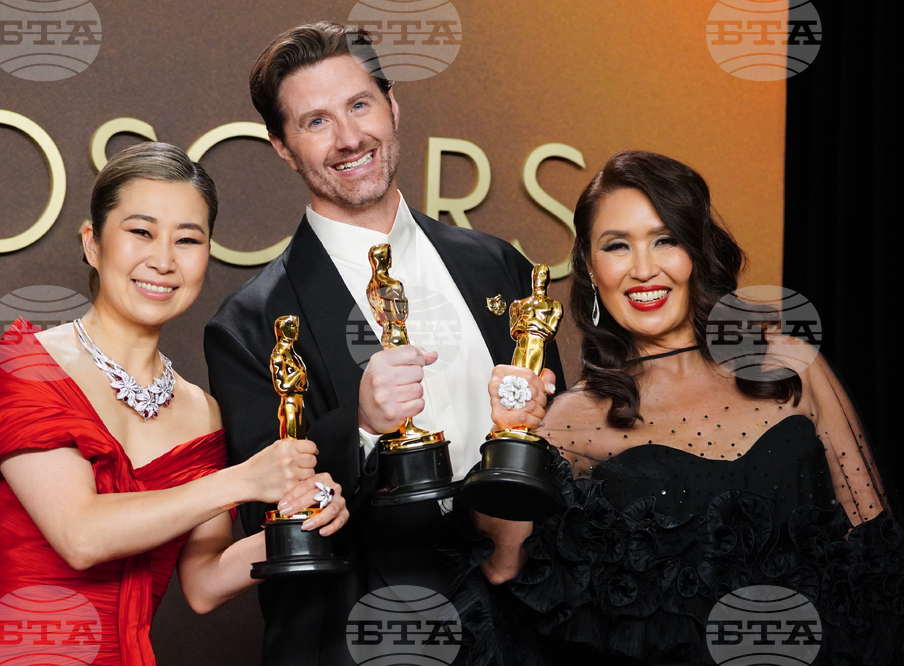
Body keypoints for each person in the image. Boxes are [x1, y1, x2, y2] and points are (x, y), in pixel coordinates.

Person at [204, 21, 564, 665]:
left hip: (524, 624)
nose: (349, 139)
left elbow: (548, 445)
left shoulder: (497, 266)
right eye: (315, 122)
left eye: (359, 105)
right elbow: (272, 527)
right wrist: (362, 426)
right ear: (282, 147)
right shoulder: (251, 324)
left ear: (392, 106)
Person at [470, 150, 903, 665]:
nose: (644, 269)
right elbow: (502, 566)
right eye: (617, 246)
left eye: (665, 240)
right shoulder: (571, 417)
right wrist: (513, 436)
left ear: (696, 249)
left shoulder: (789, 362)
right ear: (589, 264)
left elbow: (876, 557)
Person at [0, 142, 348, 666]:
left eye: (188, 239)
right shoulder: (30, 365)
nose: (164, 260)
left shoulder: (201, 411)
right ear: (93, 244)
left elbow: (204, 583)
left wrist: (299, 519)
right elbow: (80, 535)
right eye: (141, 232)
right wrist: (244, 480)